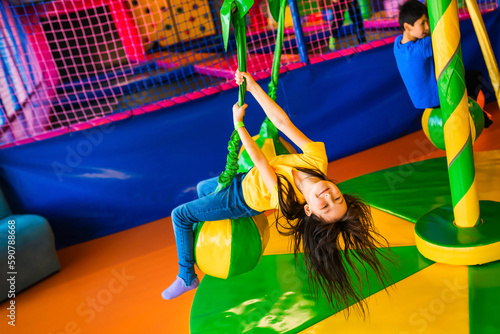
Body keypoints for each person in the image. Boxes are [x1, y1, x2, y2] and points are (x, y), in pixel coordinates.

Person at [162, 70, 394, 315]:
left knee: (180, 215)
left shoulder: (286, 198)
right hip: (243, 178)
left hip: (240, 200)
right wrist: (253, 87)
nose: (328, 195)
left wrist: (238, 125)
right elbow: (283, 123)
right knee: (202, 189)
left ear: (308, 209)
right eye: (336, 197)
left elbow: (261, 162)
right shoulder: (317, 161)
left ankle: (187, 275)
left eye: (324, 206)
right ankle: (202, 236)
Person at [393, 0, 493, 127]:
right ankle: (473, 113)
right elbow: (441, 32)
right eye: (422, 23)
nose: (427, 27)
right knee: (475, 77)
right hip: (436, 97)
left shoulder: (397, 45)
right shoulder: (421, 48)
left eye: (427, 21)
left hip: (420, 100)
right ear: (407, 27)